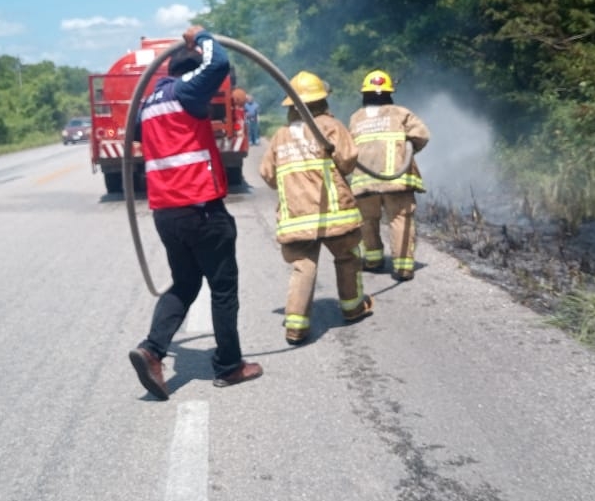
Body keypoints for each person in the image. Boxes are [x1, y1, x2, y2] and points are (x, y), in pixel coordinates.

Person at [128, 26, 263, 399]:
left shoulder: (150, 102)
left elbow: (144, 135)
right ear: (190, 73)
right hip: (201, 209)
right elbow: (218, 61)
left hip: (166, 213)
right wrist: (201, 36)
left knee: (186, 283)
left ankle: (152, 351)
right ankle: (230, 366)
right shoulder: (187, 90)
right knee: (222, 287)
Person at [258, 71, 373, 345]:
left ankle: (295, 327)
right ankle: (353, 308)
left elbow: (268, 174)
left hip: (296, 219)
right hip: (335, 214)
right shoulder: (331, 127)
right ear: (322, 101)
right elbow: (348, 160)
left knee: (303, 267)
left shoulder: (280, 136)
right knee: (347, 258)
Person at [347, 69, 431, 281]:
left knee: (367, 220)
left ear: (364, 95)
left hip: (364, 183)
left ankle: (373, 260)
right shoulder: (401, 113)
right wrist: (407, 149)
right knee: (400, 219)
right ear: (389, 94)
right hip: (397, 181)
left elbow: (348, 149)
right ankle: (403, 267)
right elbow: (422, 135)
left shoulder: (355, 118)